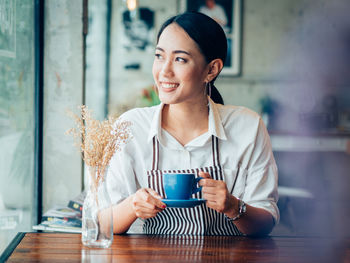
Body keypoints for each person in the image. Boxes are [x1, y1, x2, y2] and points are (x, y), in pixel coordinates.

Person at [107, 12, 279, 236]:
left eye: (180, 59)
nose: (164, 71)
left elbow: (266, 223)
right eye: (159, 56)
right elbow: (102, 221)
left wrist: (232, 206)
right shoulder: (129, 127)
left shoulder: (248, 127)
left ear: (211, 70)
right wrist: (133, 206)